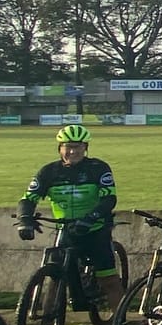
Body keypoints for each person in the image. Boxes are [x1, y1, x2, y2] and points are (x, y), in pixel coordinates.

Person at [16, 123, 122, 314]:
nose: (72, 151)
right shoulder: (49, 172)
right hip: (65, 231)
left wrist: (90, 218)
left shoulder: (98, 168)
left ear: (85, 148)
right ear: (60, 149)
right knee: (54, 278)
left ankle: (120, 323)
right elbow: (28, 199)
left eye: (77, 147)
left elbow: (109, 199)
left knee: (108, 279)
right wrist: (25, 219)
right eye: (68, 147)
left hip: (94, 230)